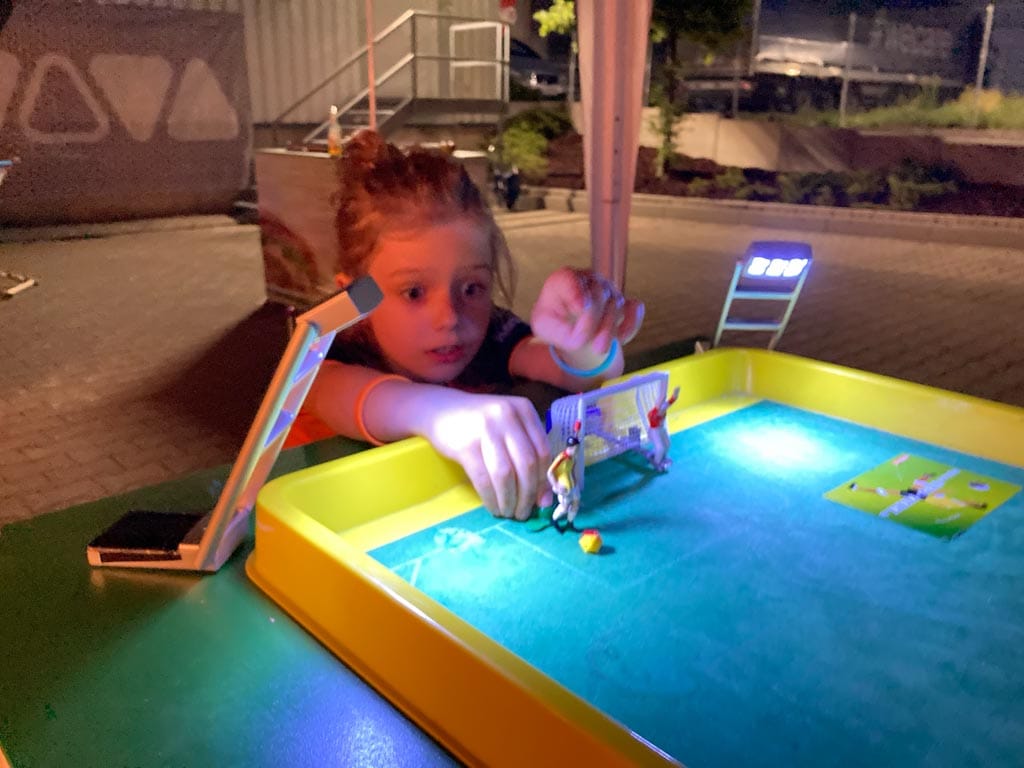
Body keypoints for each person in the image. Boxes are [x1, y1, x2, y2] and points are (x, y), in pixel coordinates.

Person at [296, 130, 644, 522]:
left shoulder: (492, 335)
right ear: (353, 300)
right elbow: (329, 393)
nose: (450, 317)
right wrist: (434, 412)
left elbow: (580, 373)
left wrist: (581, 338)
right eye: (413, 292)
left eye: (472, 288)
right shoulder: (334, 352)